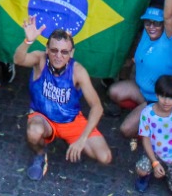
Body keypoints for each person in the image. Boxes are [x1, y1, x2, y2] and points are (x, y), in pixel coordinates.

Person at [16, 16, 114, 181]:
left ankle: (68, 140)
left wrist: (82, 140)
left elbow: (97, 107)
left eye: (64, 52)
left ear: (71, 53)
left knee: (105, 157)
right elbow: (18, 59)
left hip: (71, 121)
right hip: (43, 116)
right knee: (34, 132)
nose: (58, 56)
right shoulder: (40, 59)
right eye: (54, 50)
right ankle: (40, 155)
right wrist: (27, 41)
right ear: (47, 49)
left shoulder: (78, 71)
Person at [109, 0, 172, 141]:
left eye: (156, 23)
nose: (152, 26)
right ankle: (145, 114)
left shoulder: (170, 38)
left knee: (126, 130)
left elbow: (169, 16)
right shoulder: (146, 33)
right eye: (148, 22)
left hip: (161, 98)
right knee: (114, 91)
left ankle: (156, 131)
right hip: (144, 90)